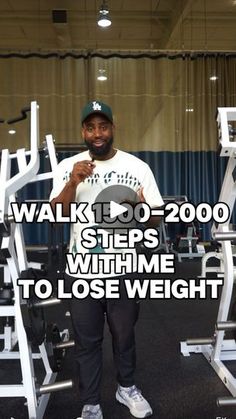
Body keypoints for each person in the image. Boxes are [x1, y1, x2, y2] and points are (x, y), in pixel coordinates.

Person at [50, 100, 164, 419]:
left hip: (123, 270)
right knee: (87, 341)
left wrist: (142, 212)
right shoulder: (68, 167)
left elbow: (155, 217)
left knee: (124, 335)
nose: (97, 133)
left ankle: (125, 387)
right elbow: (57, 217)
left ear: (113, 128)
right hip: (83, 273)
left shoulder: (137, 167)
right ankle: (90, 403)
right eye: (91, 127)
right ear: (83, 132)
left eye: (103, 126)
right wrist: (73, 182)